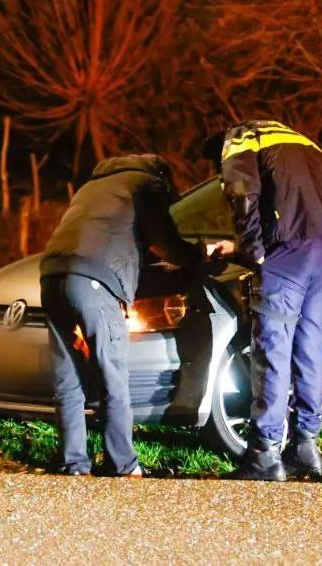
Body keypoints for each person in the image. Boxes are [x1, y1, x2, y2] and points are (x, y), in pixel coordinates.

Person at [201, 120, 322, 481]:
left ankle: (265, 454)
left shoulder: (239, 139)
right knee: (310, 349)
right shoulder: (299, 139)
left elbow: (243, 192)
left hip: (289, 255)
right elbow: (296, 204)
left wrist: (253, 252)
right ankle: (306, 446)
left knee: (273, 349)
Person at [39, 154, 201, 476]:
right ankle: (123, 466)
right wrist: (198, 255)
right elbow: (165, 242)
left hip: (51, 275)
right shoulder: (147, 185)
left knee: (68, 377)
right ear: (162, 175)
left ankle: (74, 464)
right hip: (94, 281)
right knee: (112, 374)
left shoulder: (92, 186)